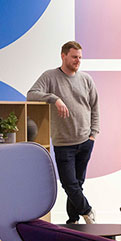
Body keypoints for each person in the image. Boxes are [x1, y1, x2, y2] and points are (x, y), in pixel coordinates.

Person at [27, 41, 100, 225]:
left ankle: (72, 221)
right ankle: (87, 211)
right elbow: (31, 94)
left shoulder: (86, 79)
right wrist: (55, 98)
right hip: (63, 143)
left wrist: (93, 135)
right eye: (74, 57)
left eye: (80, 58)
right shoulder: (50, 76)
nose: (78, 61)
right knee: (69, 184)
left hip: (85, 141)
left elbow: (95, 108)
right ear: (63, 56)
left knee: (77, 185)